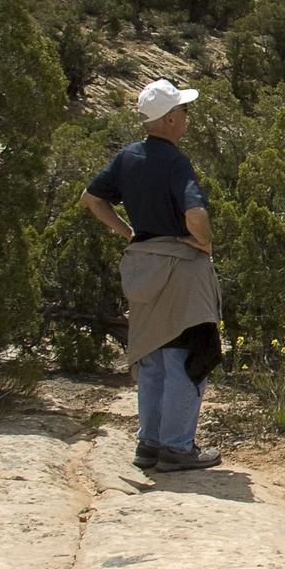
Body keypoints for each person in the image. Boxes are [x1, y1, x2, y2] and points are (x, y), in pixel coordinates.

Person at [81, 78, 225, 473]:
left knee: (153, 354)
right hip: (181, 268)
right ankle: (177, 447)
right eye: (182, 111)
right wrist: (204, 242)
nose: (186, 117)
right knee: (187, 352)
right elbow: (195, 214)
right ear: (169, 119)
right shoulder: (176, 162)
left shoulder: (128, 157)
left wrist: (128, 232)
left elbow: (92, 198)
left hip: (142, 266)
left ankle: (150, 443)